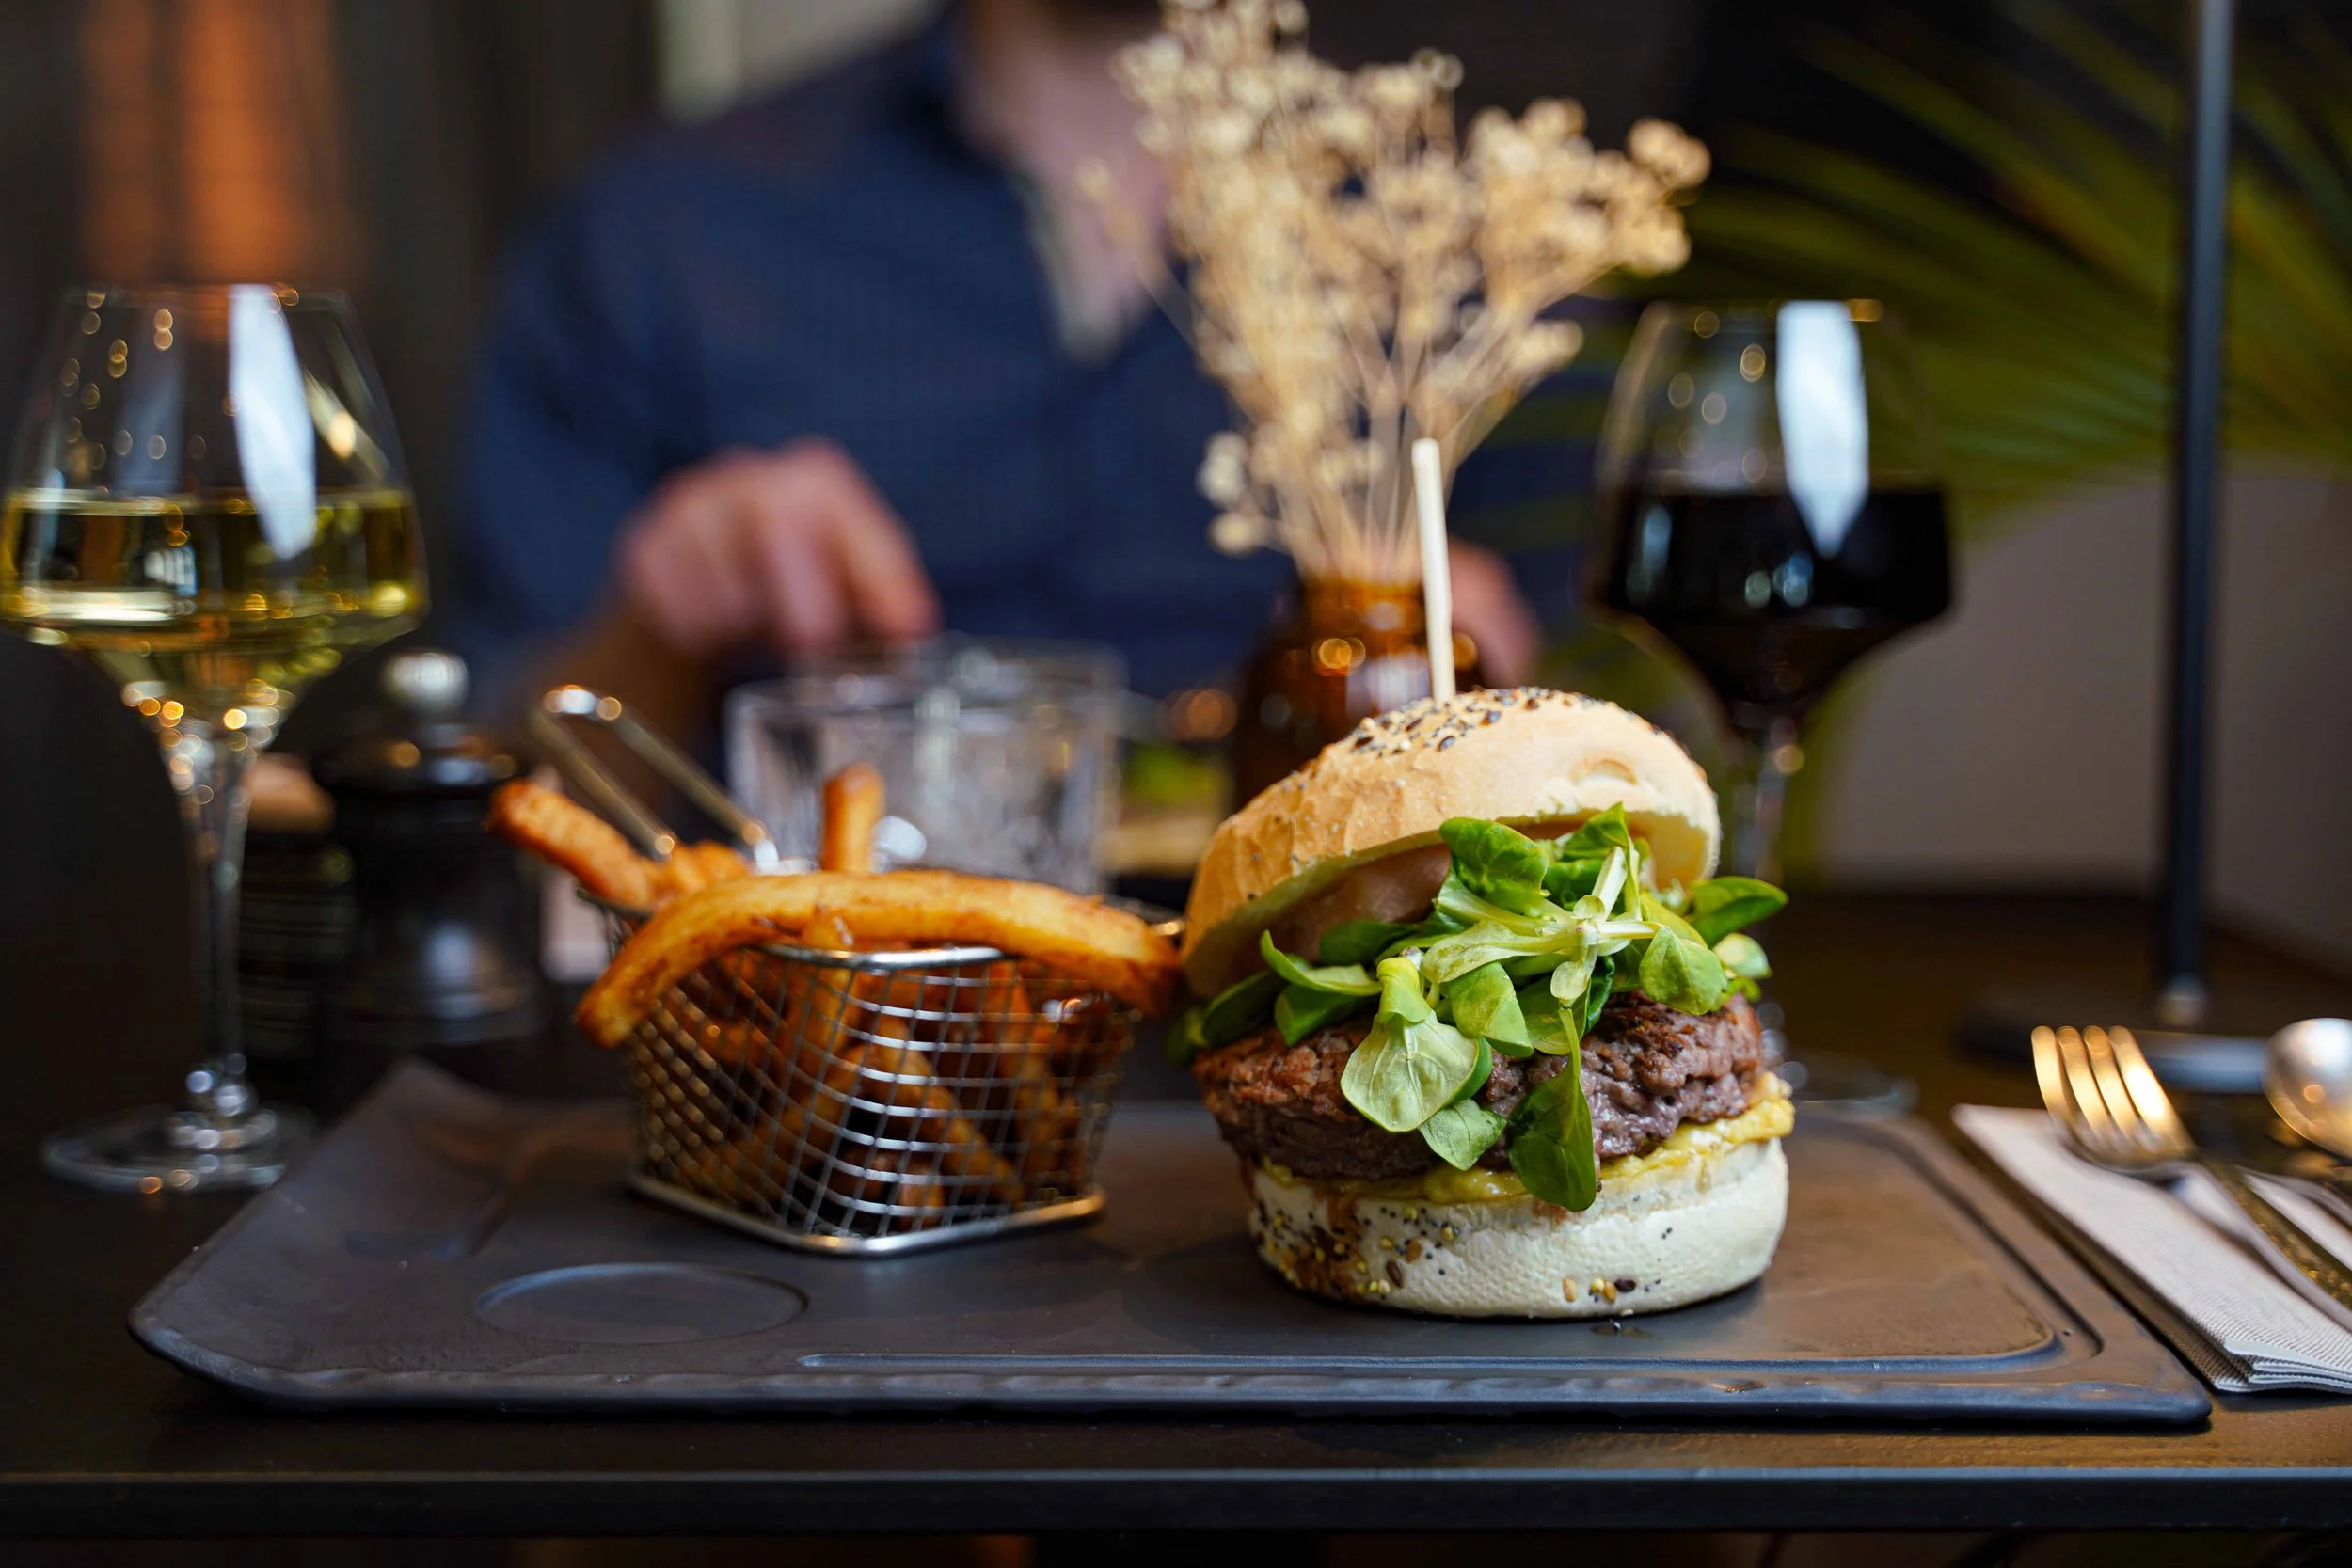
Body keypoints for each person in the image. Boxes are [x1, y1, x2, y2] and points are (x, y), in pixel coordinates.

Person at [446, 0, 1551, 744]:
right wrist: (655, 630)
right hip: (824, 1038)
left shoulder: (1480, 248)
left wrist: (1519, 682)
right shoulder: (666, 225)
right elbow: (490, 772)